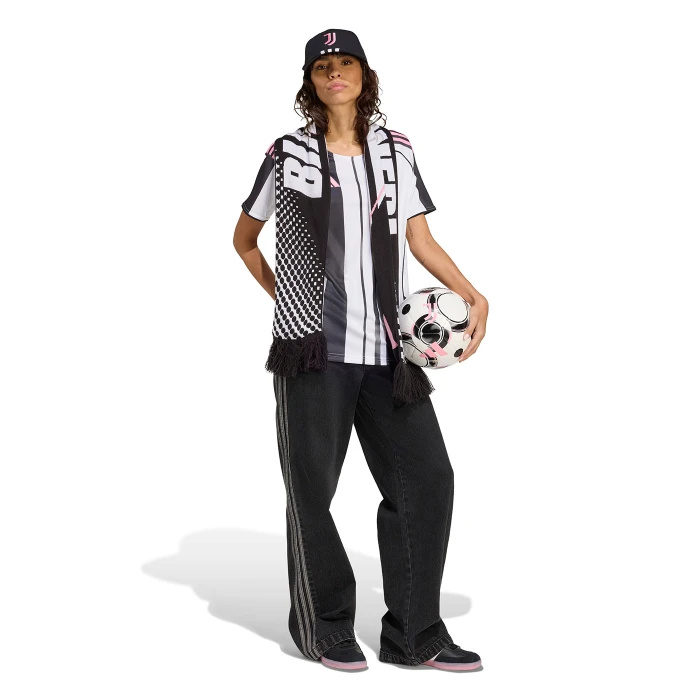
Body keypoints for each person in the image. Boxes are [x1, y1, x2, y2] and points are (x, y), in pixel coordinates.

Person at [233, 28, 489, 672]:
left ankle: (415, 633)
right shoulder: (287, 153)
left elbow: (420, 240)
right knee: (311, 492)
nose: (334, 74)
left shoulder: (395, 151)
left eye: (345, 63)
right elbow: (244, 240)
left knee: (428, 480)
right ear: (310, 82)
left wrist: (472, 294)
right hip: (312, 353)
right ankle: (324, 628)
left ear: (364, 75)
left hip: (389, 353)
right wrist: (289, 298)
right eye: (322, 67)